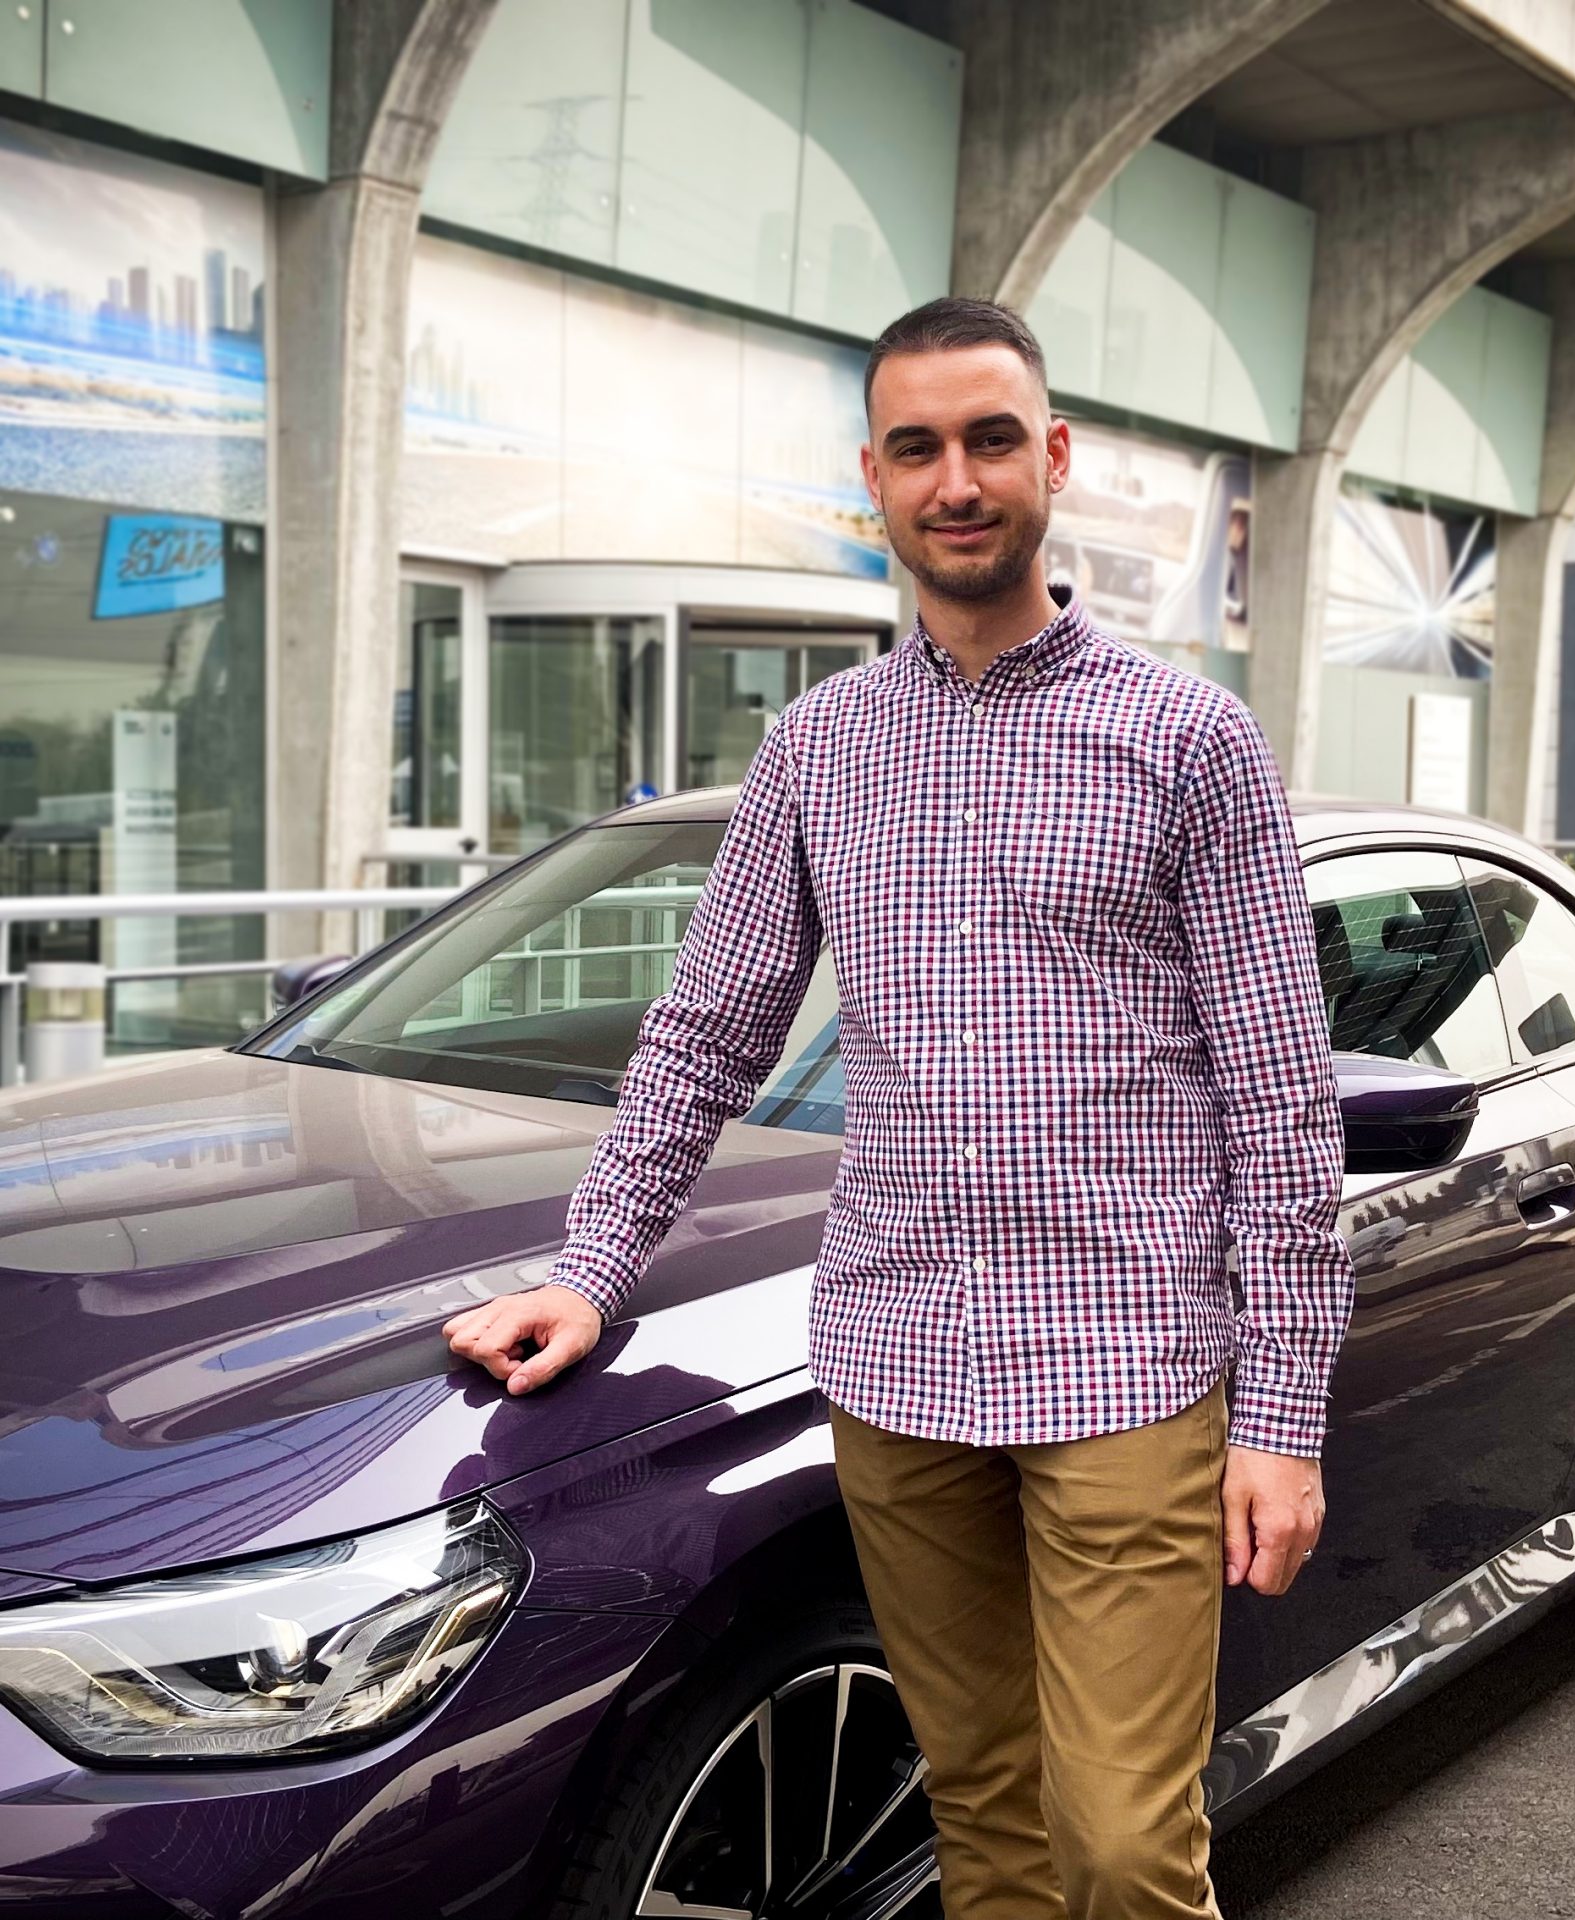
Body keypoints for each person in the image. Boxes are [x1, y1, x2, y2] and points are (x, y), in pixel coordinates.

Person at [444, 296, 1356, 1917]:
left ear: (1052, 459)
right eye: (919, 448)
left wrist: (1279, 1418)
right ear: (874, 476)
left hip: (1128, 1365)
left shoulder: (1187, 739)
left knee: (1129, 1847)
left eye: (991, 440)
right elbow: (705, 1032)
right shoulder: (818, 746)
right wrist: (591, 1269)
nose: (957, 480)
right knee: (983, 1816)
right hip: (897, 1365)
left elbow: (1281, 1104)